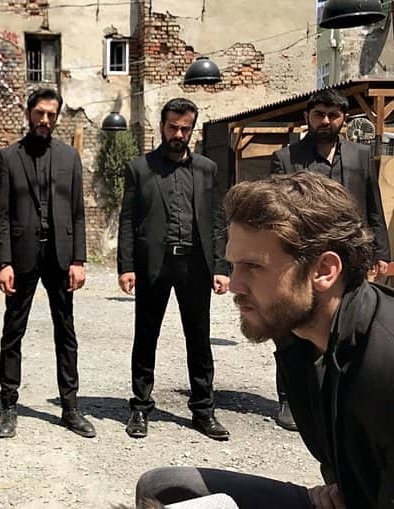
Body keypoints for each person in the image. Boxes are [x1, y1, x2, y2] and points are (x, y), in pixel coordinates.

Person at [136, 171, 394, 509]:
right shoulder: (296, 335)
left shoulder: (384, 362)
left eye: (253, 266)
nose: (234, 285)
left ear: (324, 271)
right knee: (162, 489)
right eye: (233, 266)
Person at [269, 88, 391, 432]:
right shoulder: (286, 158)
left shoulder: (360, 155)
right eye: (319, 114)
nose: (326, 121)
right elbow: (275, 212)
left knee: (348, 324)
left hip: (349, 258)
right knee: (295, 325)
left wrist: (381, 252)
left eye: (333, 115)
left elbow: (373, 205)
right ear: (307, 117)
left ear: (344, 119)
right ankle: (291, 398)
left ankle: (343, 394)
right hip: (301, 258)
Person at [117, 98, 230, 441]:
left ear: (192, 129)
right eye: (172, 127)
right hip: (154, 264)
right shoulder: (140, 168)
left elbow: (217, 221)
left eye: (185, 128)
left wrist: (221, 266)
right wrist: (126, 266)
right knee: (146, 336)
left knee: (199, 339)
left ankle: (203, 410)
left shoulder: (207, 169)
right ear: (162, 126)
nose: (178, 134)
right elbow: (127, 220)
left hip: (195, 264)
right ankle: (140, 407)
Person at [0, 88, 95, 439]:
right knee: (13, 332)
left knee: (66, 332)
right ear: (28, 113)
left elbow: (78, 212)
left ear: (57, 117)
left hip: (60, 254)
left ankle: (70, 408)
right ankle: (8, 407)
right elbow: (3, 214)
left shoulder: (69, 157)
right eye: (39, 113)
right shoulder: (9, 157)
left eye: (51, 114)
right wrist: (4, 261)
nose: (45, 120)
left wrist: (79, 259)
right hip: (22, 254)